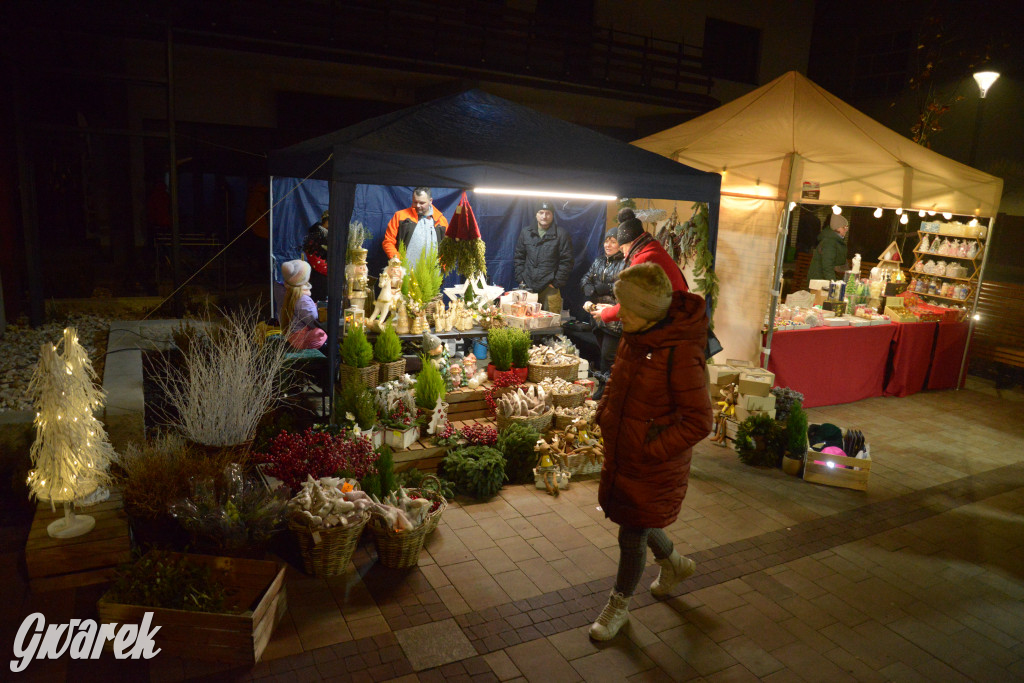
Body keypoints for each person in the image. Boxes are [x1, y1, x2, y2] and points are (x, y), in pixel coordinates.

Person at [590, 263, 713, 641]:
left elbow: (699, 421)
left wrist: (651, 448)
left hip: (653, 461)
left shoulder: (680, 353)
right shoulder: (637, 334)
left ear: (647, 312)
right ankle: (675, 564)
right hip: (626, 448)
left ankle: (619, 605)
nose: (618, 313)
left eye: (626, 308)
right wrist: (604, 412)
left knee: (631, 533)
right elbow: (618, 377)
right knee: (636, 517)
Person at [593, 217, 687, 325]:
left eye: (622, 248)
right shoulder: (655, 251)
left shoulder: (643, 259)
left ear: (631, 242)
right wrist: (612, 309)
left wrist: (605, 314)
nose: (624, 254)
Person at [513, 201, 574, 312]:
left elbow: (567, 261)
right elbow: (519, 257)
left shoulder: (561, 234)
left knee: (551, 325)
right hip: (527, 286)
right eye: (541, 212)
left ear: (552, 215)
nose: (544, 216)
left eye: (548, 213)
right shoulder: (526, 233)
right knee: (526, 322)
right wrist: (521, 279)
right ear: (536, 214)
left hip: (550, 288)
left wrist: (556, 283)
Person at [581, 227, 625, 377]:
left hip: (614, 321)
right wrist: (586, 286)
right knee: (603, 355)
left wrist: (608, 288)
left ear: (621, 244)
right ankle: (605, 383)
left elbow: (628, 288)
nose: (608, 245)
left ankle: (606, 388)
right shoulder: (599, 261)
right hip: (597, 319)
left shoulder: (626, 262)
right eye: (606, 241)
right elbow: (586, 278)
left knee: (608, 356)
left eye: (613, 241)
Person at [383, 187, 448, 267]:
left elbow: (447, 248)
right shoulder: (400, 216)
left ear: (430, 201)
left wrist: (442, 266)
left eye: (421, 203)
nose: (417, 205)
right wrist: (397, 260)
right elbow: (388, 241)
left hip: (433, 275)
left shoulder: (441, 221)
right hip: (404, 273)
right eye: (415, 202)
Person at [280, 259, 327, 351]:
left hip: (293, 338)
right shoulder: (303, 300)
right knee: (322, 332)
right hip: (302, 340)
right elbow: (314, 322)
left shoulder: (291, 294)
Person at [807, 214, 849, 280]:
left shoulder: (833, 240)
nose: (846, 230)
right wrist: (833, 284)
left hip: (823, 280)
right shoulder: (830, 242)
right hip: (820, 282)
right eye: (844, 227)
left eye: (847, 227)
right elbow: (827, 266)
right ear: (837, 228)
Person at [303, 209, 329, 298]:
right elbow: (314, 259)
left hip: (331, 276)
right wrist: (332, 271)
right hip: (320, 277)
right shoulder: (315, 235)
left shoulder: (332, 235)